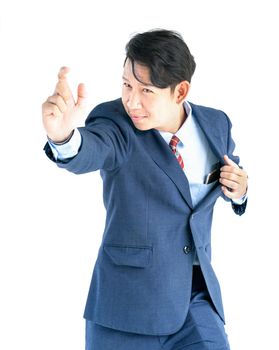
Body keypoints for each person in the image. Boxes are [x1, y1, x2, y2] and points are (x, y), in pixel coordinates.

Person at [42, 29, 248, 350]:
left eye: (146, 90)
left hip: (193, 300)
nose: (131, 100)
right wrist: (63, 137)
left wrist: (240, 189)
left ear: (180, 91)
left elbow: (229, 170)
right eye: (126, 85)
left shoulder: (216, 124)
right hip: (125, 308)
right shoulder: (116, 122)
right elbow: (93, 148)